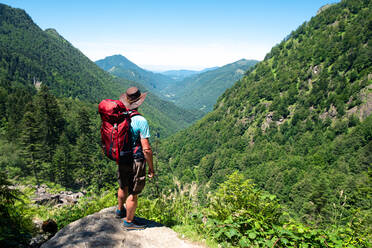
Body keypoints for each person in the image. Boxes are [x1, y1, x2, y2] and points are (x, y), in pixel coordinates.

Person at [115, 86, 155, 230]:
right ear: (139, 102)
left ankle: (119, 211)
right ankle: (129, 222)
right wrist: (151, 167)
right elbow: (146, 148)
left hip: (122, 157)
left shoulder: (119, 118)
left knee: (122, 185)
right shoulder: (141, 121)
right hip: (136, 159)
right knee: (134, 191)